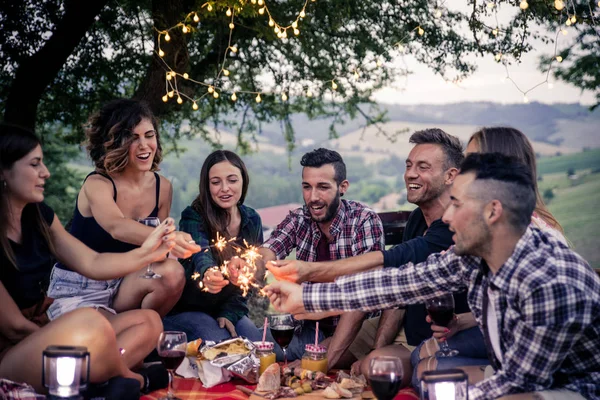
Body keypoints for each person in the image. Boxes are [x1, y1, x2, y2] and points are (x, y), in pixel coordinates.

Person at [266, 153, 600, 400]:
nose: (448, 217)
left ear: (493, 212)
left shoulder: (551, 283)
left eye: (456, 204)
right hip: (517, 377)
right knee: (433, 385)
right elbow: (401, 282)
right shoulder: (477, 254)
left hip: (570, 390)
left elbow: (517, 384)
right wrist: (306, 298)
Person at [266, 129, 486, 385]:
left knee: (405, 370)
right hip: (405, 331)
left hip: (438, 339)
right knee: (310, 357)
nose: (410, 173)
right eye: (409, 165)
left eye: (422, 167)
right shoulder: (419, 222)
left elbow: (391, 271)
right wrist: (308, 299)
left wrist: (309, 275)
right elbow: (395, 290)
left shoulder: (462, 234)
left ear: (452, 176)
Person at [0, 124, 175, 393]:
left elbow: (93, 263)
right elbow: (14, 328)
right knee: (92, 323)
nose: (45, 173)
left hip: (48, 333)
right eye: (34, 164)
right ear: (3, 172)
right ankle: (130, 377)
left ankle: (95, 379)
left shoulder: (39, 216)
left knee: (149, 321)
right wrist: (82, 340)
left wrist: (149, 251)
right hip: (11, 354)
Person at [412, 126, 570, 386]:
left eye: (472, 161)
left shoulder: (535, 240)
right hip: (505, 341)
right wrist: (462, 321)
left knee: (428, 374)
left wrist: (490, 379)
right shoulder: (487, 225)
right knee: (421, 357)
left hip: (541, 372)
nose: (462, 169)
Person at [47, 99, 199, 324]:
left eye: (149, 135)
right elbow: (117, 227)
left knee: (172, 272)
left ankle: (142, 336)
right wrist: (168, 236)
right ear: (115, 142)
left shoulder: (162, 188)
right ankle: (122, 336)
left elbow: (159, 256)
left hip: (125, 285)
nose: (144, 145)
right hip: (81, 287)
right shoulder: (98, 184)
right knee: (100, 342)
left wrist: (180, 246)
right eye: (133, 138)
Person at [232, 148, 384, 361]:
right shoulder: (299, 218)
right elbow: (269, 250)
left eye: (322, 187)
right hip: (307, 329)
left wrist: (321, 363)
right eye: (307, 187)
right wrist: (249, 264)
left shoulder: (364, 221)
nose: (313, 197)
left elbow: (361, 298)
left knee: (292, 361)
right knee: (246, 350)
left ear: (343, 187)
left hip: (355, 331)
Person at [162, 150, 263, 342]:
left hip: (225, 307)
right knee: (218, 346)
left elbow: (249, 280)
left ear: (243, 181)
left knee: (257, 346)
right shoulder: (193, 215)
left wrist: (230, 313)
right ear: (207, 186)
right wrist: (208, 271)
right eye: (216, 182)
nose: (224, 188)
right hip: (187, 309)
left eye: (232, 180)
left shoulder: (252, 220)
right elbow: (200, 251)